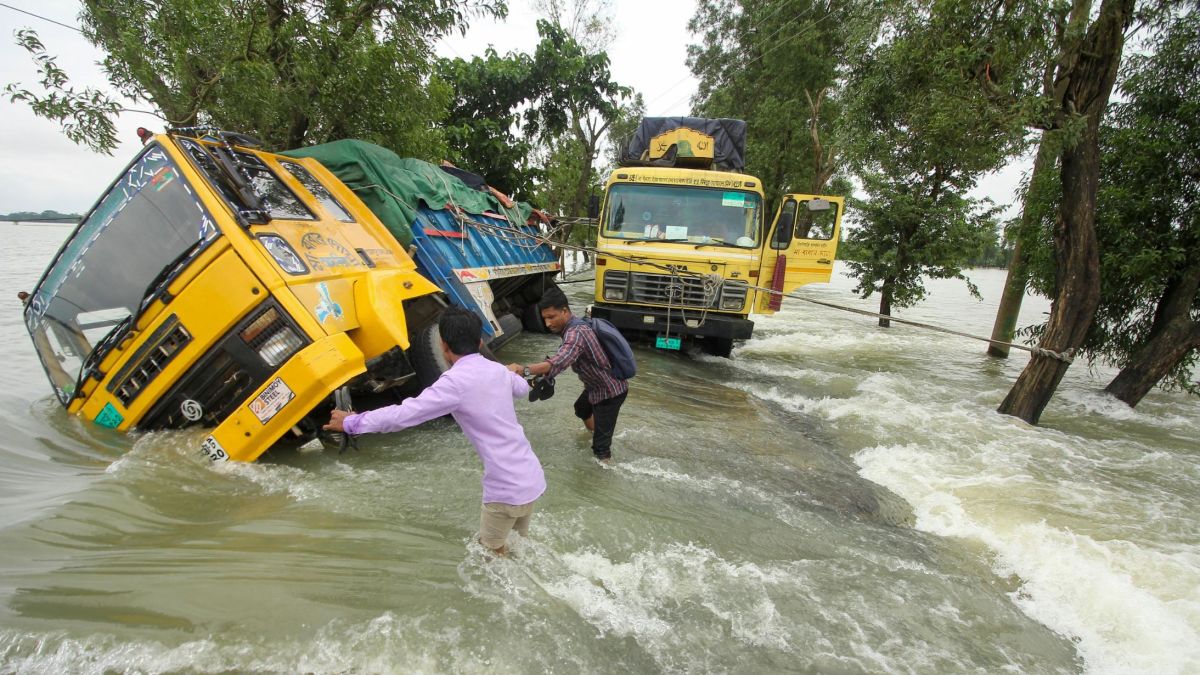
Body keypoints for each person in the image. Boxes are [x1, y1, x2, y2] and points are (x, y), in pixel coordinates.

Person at [324, 306, 545, 556]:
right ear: (480, 341)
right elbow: (522, 389)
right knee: (518, 547)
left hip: (505, 489)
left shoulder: (454, 383)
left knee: (490, 557)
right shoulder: (497, 371)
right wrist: (510, 371)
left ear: (443, 345)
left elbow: (404, 414)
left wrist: (352, 422)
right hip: (531, 477)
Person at [508, 288, 629, 463]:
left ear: (564, 311)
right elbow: (562, 360)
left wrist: (524, 369)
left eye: (551, 317)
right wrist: (535, 379)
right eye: (544, 319)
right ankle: (597, 433)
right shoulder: (572, 327)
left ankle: (604, 472)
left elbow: (560, 361)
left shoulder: (575, 333)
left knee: (601, 449)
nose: (548, 323)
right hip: (595, 387)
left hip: (610, 391)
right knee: (581, 408)